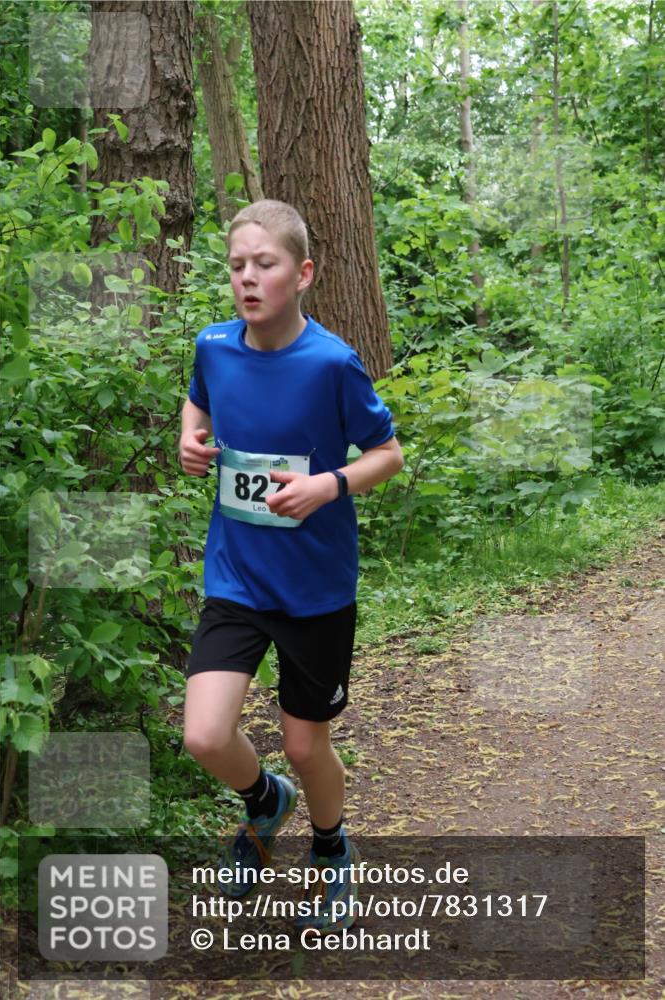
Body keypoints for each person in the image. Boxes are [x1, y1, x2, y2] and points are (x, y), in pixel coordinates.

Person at [179, 199, 403, 934]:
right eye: (236, 265)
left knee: (306, 745)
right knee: (204, 735)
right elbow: (198, 403)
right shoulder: (214, 346)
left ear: (301, 274)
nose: (247, 277)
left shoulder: (331, 363)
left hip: (314, 588)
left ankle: (331, 844)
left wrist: (327, 485)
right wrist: (190, 439)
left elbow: (387, 455)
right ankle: (263, 800)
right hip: (237, 576)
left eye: (264, 264)